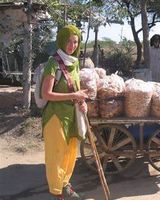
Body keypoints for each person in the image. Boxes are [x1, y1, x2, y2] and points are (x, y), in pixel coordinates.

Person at [41, 24, 89, 200]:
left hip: (71, 116)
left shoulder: (74, 63)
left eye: (75, 42)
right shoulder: (53, 63)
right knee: (56, 156)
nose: (72, 45)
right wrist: (73, 95)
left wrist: (81, 101)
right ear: (61, 41)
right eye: (68, 41)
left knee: (70, 154)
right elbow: (46, 94)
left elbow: (75, 89)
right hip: (55, 117)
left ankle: (65, 185)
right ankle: (57, 193)